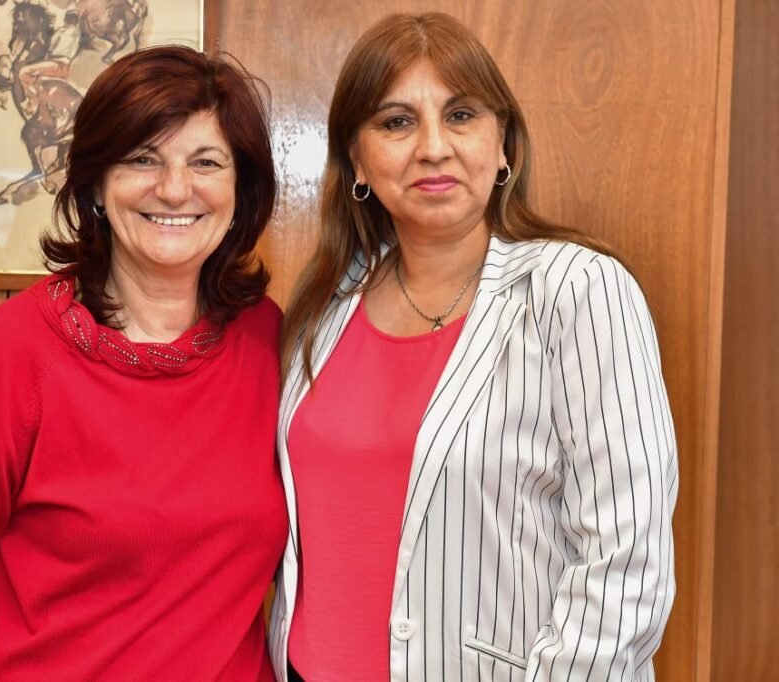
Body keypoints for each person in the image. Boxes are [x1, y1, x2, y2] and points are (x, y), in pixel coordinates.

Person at [270, 13, 677, 682]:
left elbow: (626, 560)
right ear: (358, 161)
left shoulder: (575, 290)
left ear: (503, 143)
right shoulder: (326, 305)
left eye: (460, 115)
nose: (433, 147)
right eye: (396, 122)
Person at [0, 45, 286, 681]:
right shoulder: (13, 353)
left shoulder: (271, 342)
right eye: (143, 158)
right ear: (97, 182)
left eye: (206, 162)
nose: (174, 188)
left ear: (242, 189)